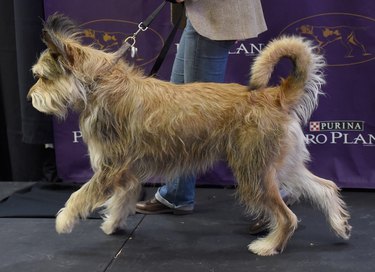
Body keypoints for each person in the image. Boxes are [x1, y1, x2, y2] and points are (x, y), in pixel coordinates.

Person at [136, 0, 289, 234]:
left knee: (191, 118)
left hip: (211, 14)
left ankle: (277, 200)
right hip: (203, 15)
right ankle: (176, 194)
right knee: (177, 113)